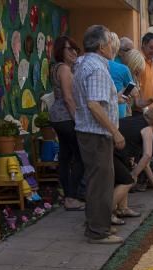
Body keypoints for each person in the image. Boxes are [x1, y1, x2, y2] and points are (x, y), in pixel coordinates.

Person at [74, 24, 124, 244]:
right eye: (110, 42)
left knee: (98, 181)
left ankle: (98, 224)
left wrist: (116, 99)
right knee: (101, 184)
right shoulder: (96, 68)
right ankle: (97, 231)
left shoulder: (85, 63)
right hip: (97, 134)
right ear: (102, 46)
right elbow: (94, 105)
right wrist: (115, 132)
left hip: (90, 132)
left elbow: (96, 100)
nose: (113, 47)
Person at [49, 36, 85, 211]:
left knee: (65, 156)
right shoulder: (63, 68)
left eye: (75, 49)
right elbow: (68, 97)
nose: (74, 52)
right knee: (79, 156)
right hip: (65, 117)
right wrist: (77, 120)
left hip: (57, 117)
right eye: (69, 49)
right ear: (60, 51)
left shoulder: (57, 68)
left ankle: (66, 194)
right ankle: (71, 197)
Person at [114, 105, 153, 214]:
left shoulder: (136, 119)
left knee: (125, 176)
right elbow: (147, 155)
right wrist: (135, 174)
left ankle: (123, 208)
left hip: (114, 150)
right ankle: (106, 213)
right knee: (128, 180)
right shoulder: (148, 129)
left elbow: (144, 162)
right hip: (113, 153)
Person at [107, 32, 134, 118]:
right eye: (130, 50)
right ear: (119, 51)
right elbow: (133, 91)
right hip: (118, 113)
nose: (132, 53)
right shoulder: (123, 68)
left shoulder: (101, 64)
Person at [137, 33, 153, 108]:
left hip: (151, 109)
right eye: (151, 48)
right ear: (143, 45)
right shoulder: (137, 62)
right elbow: (136, 87)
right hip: (140, 110)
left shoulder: (152, 63)